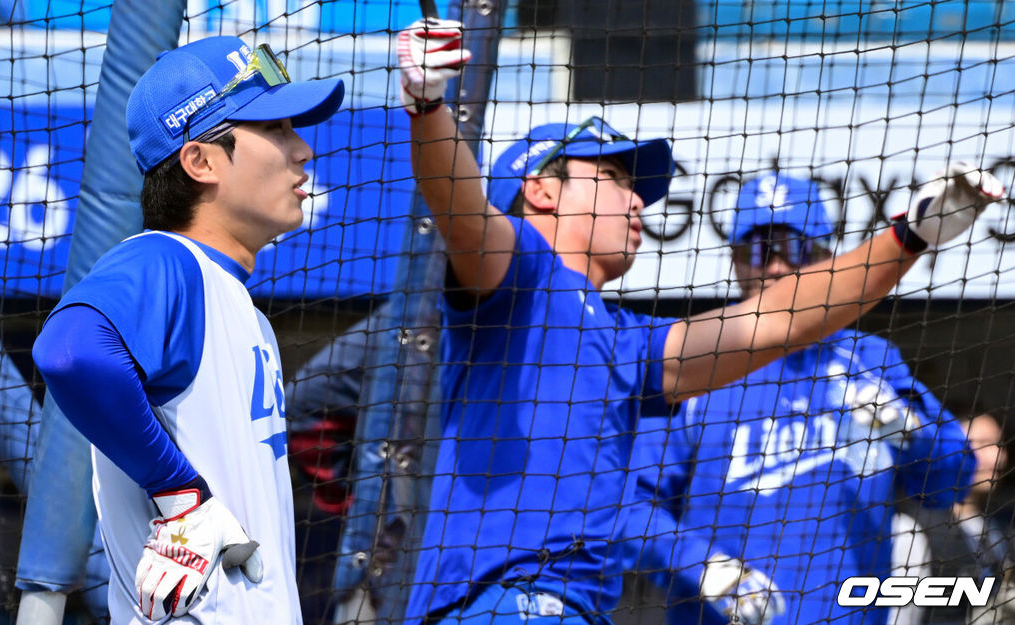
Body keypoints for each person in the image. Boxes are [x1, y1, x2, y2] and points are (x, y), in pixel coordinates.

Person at [395, 18, 1006, 625]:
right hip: (506, 604)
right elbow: (463, 212)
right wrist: (429, 107)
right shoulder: (520, 274)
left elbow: (776, 322)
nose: (638, 199)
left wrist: (908, 237)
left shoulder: (626, 337)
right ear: (542, 191)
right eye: (613, 176)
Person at [31, 36, 345, 623]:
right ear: (200, 161)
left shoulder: (231, 299)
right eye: (275, 129)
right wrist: (181, 494)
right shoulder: (169, 259)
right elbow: (69, 350)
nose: (303, 149)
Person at [620, 172, 978, 625]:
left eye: (795, 249)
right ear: (734, 260)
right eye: (758, 250)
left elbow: (950, 485)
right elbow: (628, 505)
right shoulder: (696, 358)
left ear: (828, 257)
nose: (775, 267)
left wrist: (913, 433)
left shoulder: (872, 359)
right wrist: (701, 565)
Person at [900, 411, 1015, 624]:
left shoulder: (1003, 528)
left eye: (1000, 445)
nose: (998, 457)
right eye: (984, 443)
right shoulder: (913, 528)